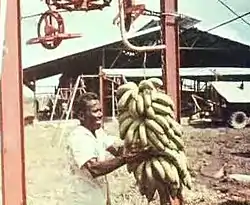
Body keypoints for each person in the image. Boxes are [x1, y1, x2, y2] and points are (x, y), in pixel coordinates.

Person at [66, 92, 146, 205]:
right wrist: (125, 159)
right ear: (81, 116)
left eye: (100, 110)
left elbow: (117, 150)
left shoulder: (98, 132)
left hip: (100, 198)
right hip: (84, 200)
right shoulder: (79, 137)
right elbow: (94, 169)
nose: (100, 115)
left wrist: (141, 146)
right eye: (95, 111)